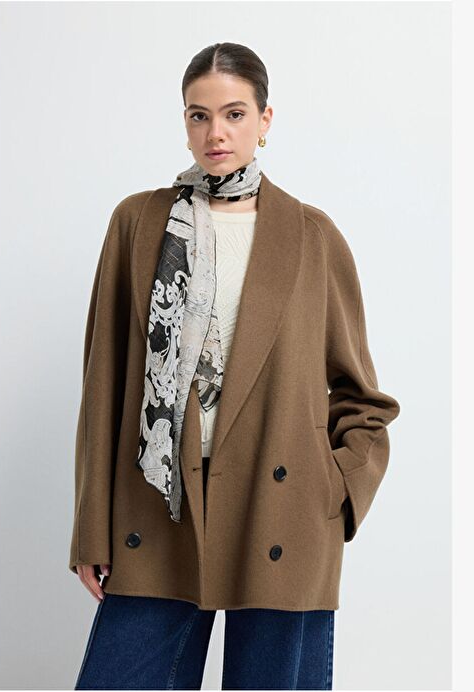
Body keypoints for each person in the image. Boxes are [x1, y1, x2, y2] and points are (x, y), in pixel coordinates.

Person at [69, 42, 400, 690]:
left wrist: (336, 494)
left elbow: (362, 397)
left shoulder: (310, 235)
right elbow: (102, 386)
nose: (215, 132)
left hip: (281, 511)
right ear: (184, 121)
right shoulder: (138, 223)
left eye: (234, 114)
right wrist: (91, 529)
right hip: (159, 504)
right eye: (199, 115)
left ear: (265, 120)